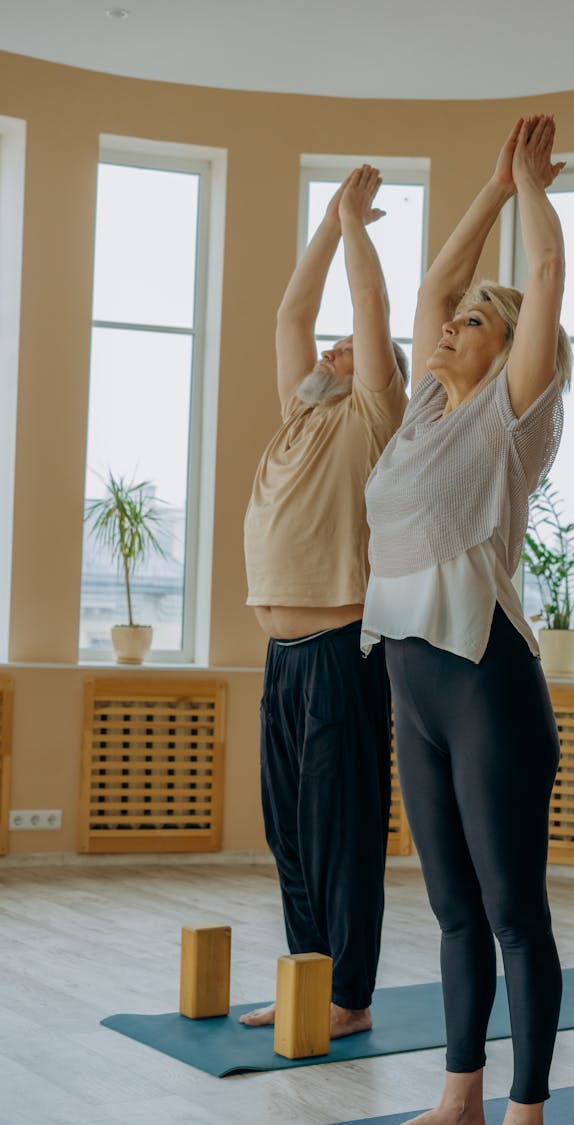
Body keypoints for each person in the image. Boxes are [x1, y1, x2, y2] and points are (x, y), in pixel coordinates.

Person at [361, 117, 571, 1123]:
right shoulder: (423, 415)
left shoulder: (507, 416)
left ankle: (525, 1110)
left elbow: (546, 264)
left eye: (477, 323)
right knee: (451, 911)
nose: (450, 325)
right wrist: (488, 186)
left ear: (511, 352)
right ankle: (461, 1098)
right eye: (456, 319)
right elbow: (431, 288)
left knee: (512, 915)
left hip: (487, 686)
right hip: (412, 685)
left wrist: (528, 192)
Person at [242, 165, 409, 1038]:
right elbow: (289, 316)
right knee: (290, 833)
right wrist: (325, 221)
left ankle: (351, 998)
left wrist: (355, 226)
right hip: (283, 655)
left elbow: (372, 307)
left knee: (341, 833)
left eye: (347, 347)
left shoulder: (372, 417)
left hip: (344, 652)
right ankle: (310, 982)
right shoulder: (300, 413)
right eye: (332, 345)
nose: (334, 345)